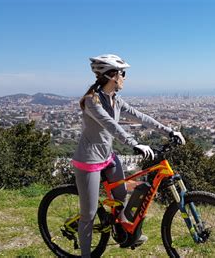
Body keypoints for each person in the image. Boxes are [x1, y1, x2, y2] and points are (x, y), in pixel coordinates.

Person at [72, 54, 185, 257]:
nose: (125, 77)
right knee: (88, 214)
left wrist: (169, 131)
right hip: (89, 160)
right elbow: (111, 125)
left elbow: (140, 116)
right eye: (123, 73)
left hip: (107, 156)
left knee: (122, 195)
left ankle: (123, 231)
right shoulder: (91, 101)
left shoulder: (115, 99)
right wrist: (134, 143)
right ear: (112, 75)